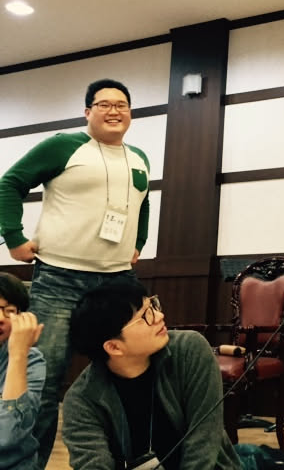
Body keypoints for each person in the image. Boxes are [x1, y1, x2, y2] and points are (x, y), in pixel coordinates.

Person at [0, 78, 149, 467]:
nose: (114, 111)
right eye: (104, 104)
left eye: (122, 105)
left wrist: (140, 241)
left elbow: (143, 203)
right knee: (44, 382)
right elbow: (10, 183)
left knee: (132, 374)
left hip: (118, 282)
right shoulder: (63, 146)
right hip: (59, 280)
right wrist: (14, 237)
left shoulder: (139, 158)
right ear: (87, 112)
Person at [62, 279, 268, 470]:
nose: (159, 316)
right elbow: (93, 464)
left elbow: (203, 443)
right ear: (114, 347)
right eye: (145, 316)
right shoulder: (82, 400)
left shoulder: (189, 350)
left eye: (152, 305)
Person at [0, 273, 46, 470]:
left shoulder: (32, 360)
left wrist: (18, 354)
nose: (0, 318)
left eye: (9, 311)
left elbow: (6, 436)